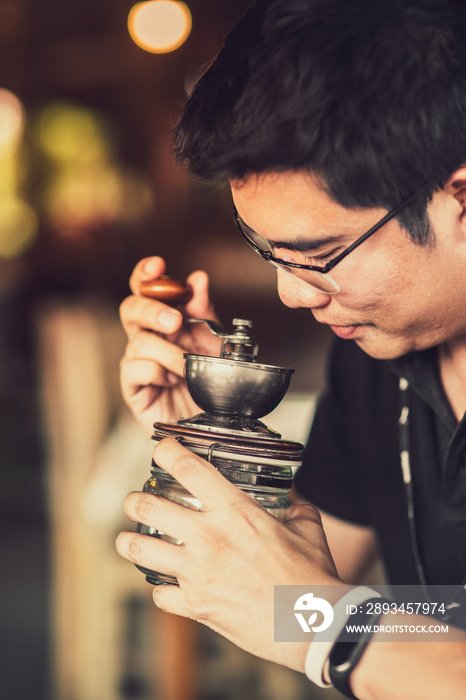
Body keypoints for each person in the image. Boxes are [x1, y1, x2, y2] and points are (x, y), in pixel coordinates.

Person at [116, 0, 466, 697]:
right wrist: (220, 439)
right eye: (268, 252)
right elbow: (429, 618)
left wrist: (333, 630)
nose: (291, 295)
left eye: (318, 254)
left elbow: (318, 616)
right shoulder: (380, 359)